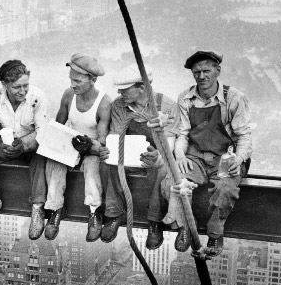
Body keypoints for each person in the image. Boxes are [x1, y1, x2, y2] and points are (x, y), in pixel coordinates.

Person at [161, 51, 252, 257]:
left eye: (206, 71)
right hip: (196, 157)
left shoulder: (234, 98)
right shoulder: (185, 98)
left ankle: (215, 233)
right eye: (196, 72)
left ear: (217, 71)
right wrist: (180, 156)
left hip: (226, 158)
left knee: (225, 189)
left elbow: (244, 136)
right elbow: (182, 133)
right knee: (173, 182)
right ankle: (184, 226)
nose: (201, 77)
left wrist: (238, 159)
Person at [98, 65, 178, 248]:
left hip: (155, 154)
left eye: (125, 89)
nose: (119, 92)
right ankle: (114, 212)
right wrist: (110, 150)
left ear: (142, 87)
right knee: (108, 163)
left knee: (162, 168)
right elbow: (117, 135)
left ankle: (154, 221)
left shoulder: (166, 106)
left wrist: (157, 155)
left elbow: (170, 144)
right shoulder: (119, 105)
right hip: (128, 152)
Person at [0, 60, 48, 236]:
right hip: (7, 142)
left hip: (30, 144)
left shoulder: (38, 97)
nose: (22, 91)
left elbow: (42, 132)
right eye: (16, 87)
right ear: (4, 84)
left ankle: (37, 207)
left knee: (42, 155)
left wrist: (23, 145)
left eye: (25, 86)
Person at [44, 53, 111, 241]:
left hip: (91, 147)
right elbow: (58, 125)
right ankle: (56, 208)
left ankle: (94, 211)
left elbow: (103, 139)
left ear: (93, 80)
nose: (73, 85)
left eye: (78, 81)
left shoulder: (104, 103)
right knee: (55, 162)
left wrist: (91, 146)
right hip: (71, 142)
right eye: (71, 80)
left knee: (91, 168)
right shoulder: (68, 95)